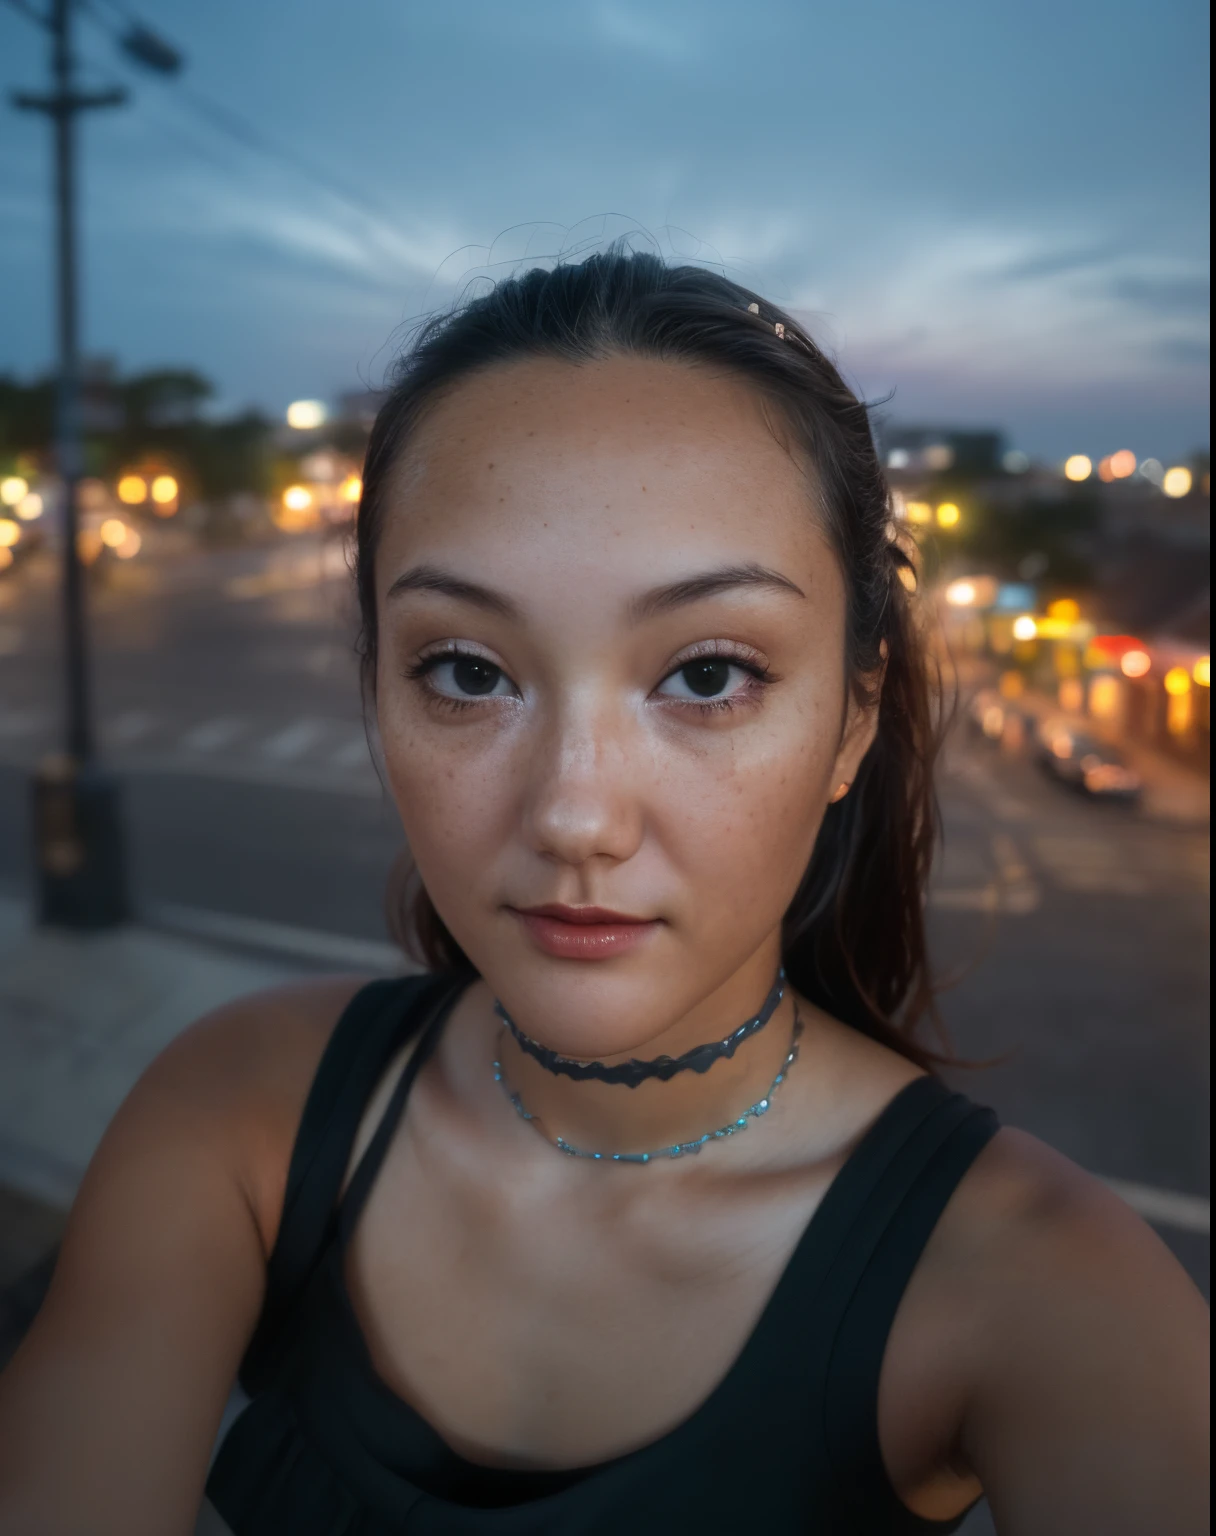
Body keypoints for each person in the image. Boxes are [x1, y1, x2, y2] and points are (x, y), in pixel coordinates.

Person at [0, 251, 1206, 1536]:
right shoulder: (237, 1115)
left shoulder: (1043, 1293)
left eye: (704, 677)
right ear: (374, 690)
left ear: (854, 717)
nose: (574, 814)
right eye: (467, 672)